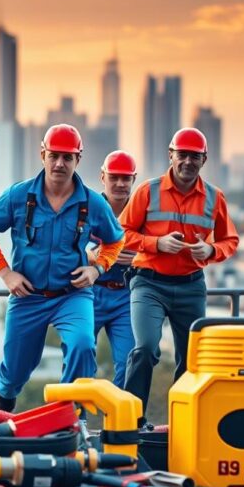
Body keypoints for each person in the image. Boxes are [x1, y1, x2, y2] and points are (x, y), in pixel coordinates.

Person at [0, 124, 125, 413]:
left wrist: (97, 270)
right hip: (27, 296)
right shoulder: (18, 197)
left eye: (67, 157)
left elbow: (116, 240)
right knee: (15, 369)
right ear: (42, 154)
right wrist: (6, 273)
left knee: (83, 345)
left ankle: (68, 419)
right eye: (54, 155)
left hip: (71, 295)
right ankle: (2, 417)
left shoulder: (92, 203)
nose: (59, 163)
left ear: (77, 160)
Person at [119, 128, 239, 420]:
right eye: (182, 155)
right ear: (171, 156)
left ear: (204, 159)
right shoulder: (148, 191)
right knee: (145, 349)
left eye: (194, 157)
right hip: (149, 283)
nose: (187, 161)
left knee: (192, 358)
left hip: (191, 286)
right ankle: (131, 421)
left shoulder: (214, 197)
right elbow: (120, 232)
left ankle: (182, 422)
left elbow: (230, 240)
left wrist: (210, 251)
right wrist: (155, 243)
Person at [89, 151, 139, 388]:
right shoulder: (87, 209)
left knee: (130, 360)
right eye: (114, 177)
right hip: (90, 293)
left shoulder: (142, 213)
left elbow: (155, 250)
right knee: (81, 357)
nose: (120, 184)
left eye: (126, 178)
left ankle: (120, 422)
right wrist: (95, 255)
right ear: (103, 177)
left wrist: (139, 257)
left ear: (133, 180)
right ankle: (77, 421)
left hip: (126, 295)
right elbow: (66, 248)